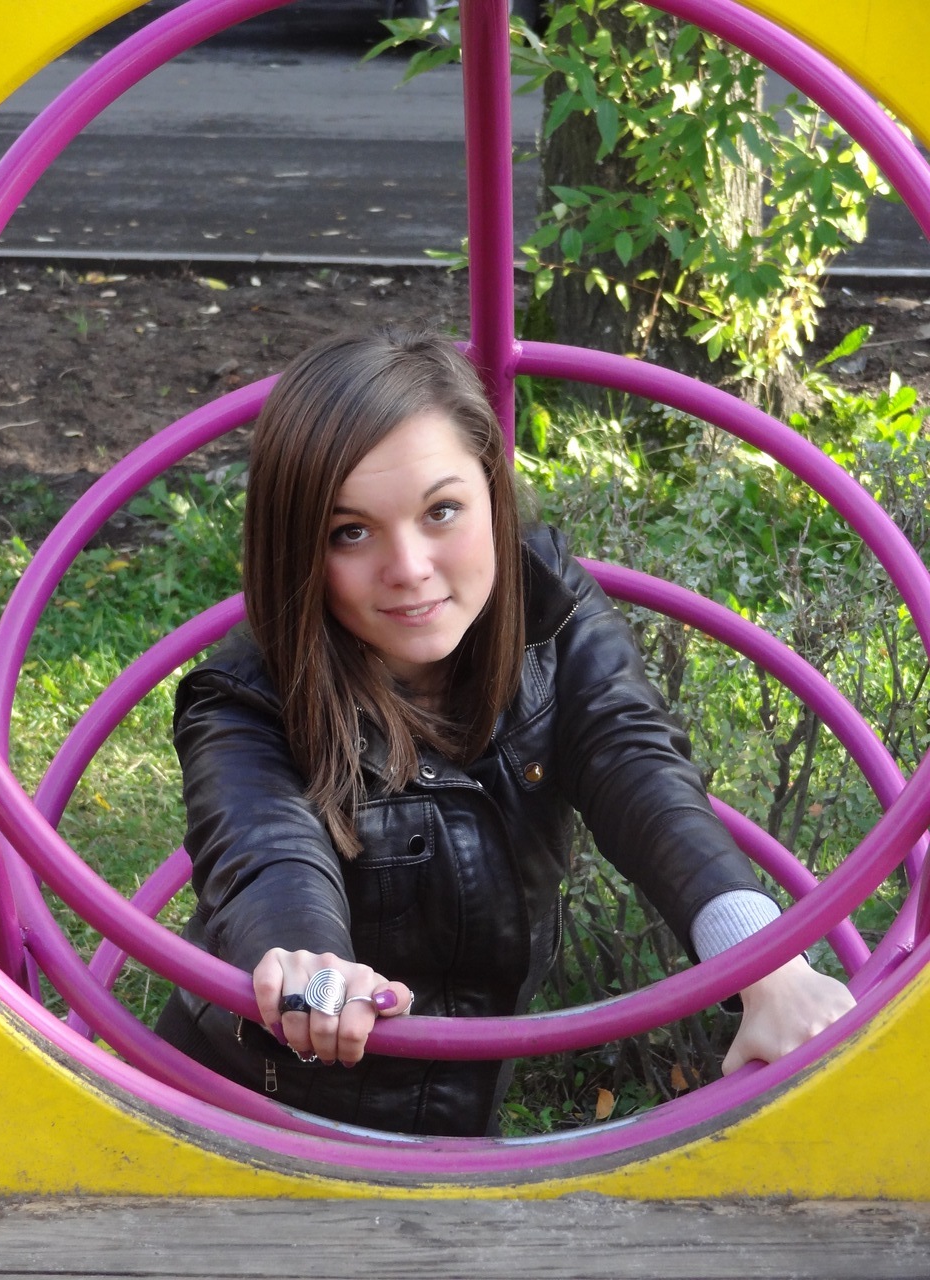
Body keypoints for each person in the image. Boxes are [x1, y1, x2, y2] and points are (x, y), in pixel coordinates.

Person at [156, 326, 855, 1136]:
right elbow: (267, 854)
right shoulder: (244, 700)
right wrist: (312, 967)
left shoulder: (550, 610)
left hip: (454, 1134)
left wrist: (767, 965)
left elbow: (637, 769)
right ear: (298, 549)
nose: (409, 567)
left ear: (494, 497)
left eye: (442, 511)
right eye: (351, 531)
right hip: (242, 1118)